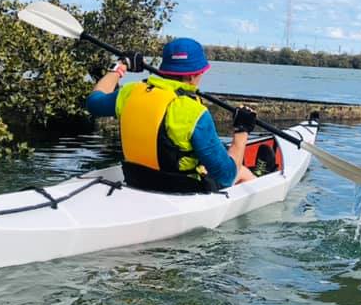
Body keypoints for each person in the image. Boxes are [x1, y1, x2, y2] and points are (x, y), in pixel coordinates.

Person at [85, 38, 257, 192]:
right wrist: (241, 132)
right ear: (195, 74)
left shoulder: (130, 92)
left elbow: (93, 102)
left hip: (136, 179)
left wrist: (120, 66)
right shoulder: (194, 112)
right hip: (181, 191)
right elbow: (226, 177)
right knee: (240, 171)